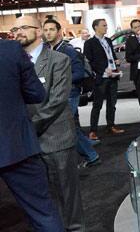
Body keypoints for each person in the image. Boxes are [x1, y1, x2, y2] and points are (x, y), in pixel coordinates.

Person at [13, 16, 84, 231]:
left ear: (39, 31)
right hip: (27, 145)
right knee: (41, 200)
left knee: (68, 198)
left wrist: (28, 129)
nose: (18, 32)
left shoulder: (58, 60)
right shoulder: (13, 63)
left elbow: (57, 101)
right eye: (15, 29)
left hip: (56, 139)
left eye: (24, 27)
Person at [0, 39, 64, 231]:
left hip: (14, 146)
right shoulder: (10, 49)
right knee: (42, 212)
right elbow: (36, 93)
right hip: (15, 145)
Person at [42, 19, 101, 168]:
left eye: (51, 29)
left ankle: (91, 155)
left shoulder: (67, 50)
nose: (48, 32)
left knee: (68, 128)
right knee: (72, 126)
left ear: (59, 31)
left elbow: (79, 73)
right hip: (57, 94)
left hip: (70, 93)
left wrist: (57, 80)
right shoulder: (47, 50)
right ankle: (90, 151)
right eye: (46, 30)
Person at [83, 19, 125, 140]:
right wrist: (103, 70)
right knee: (97, 105)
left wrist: (116, 62)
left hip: (113, 75)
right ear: (96, 27)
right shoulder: (89, 43)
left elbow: (111, 54)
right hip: (101, 77)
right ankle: (93, 131)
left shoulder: (107, 40)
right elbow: (89, 61)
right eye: (104, 25)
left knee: (112, 103)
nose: (106, 27)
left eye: (106, 25)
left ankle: (111, 126)